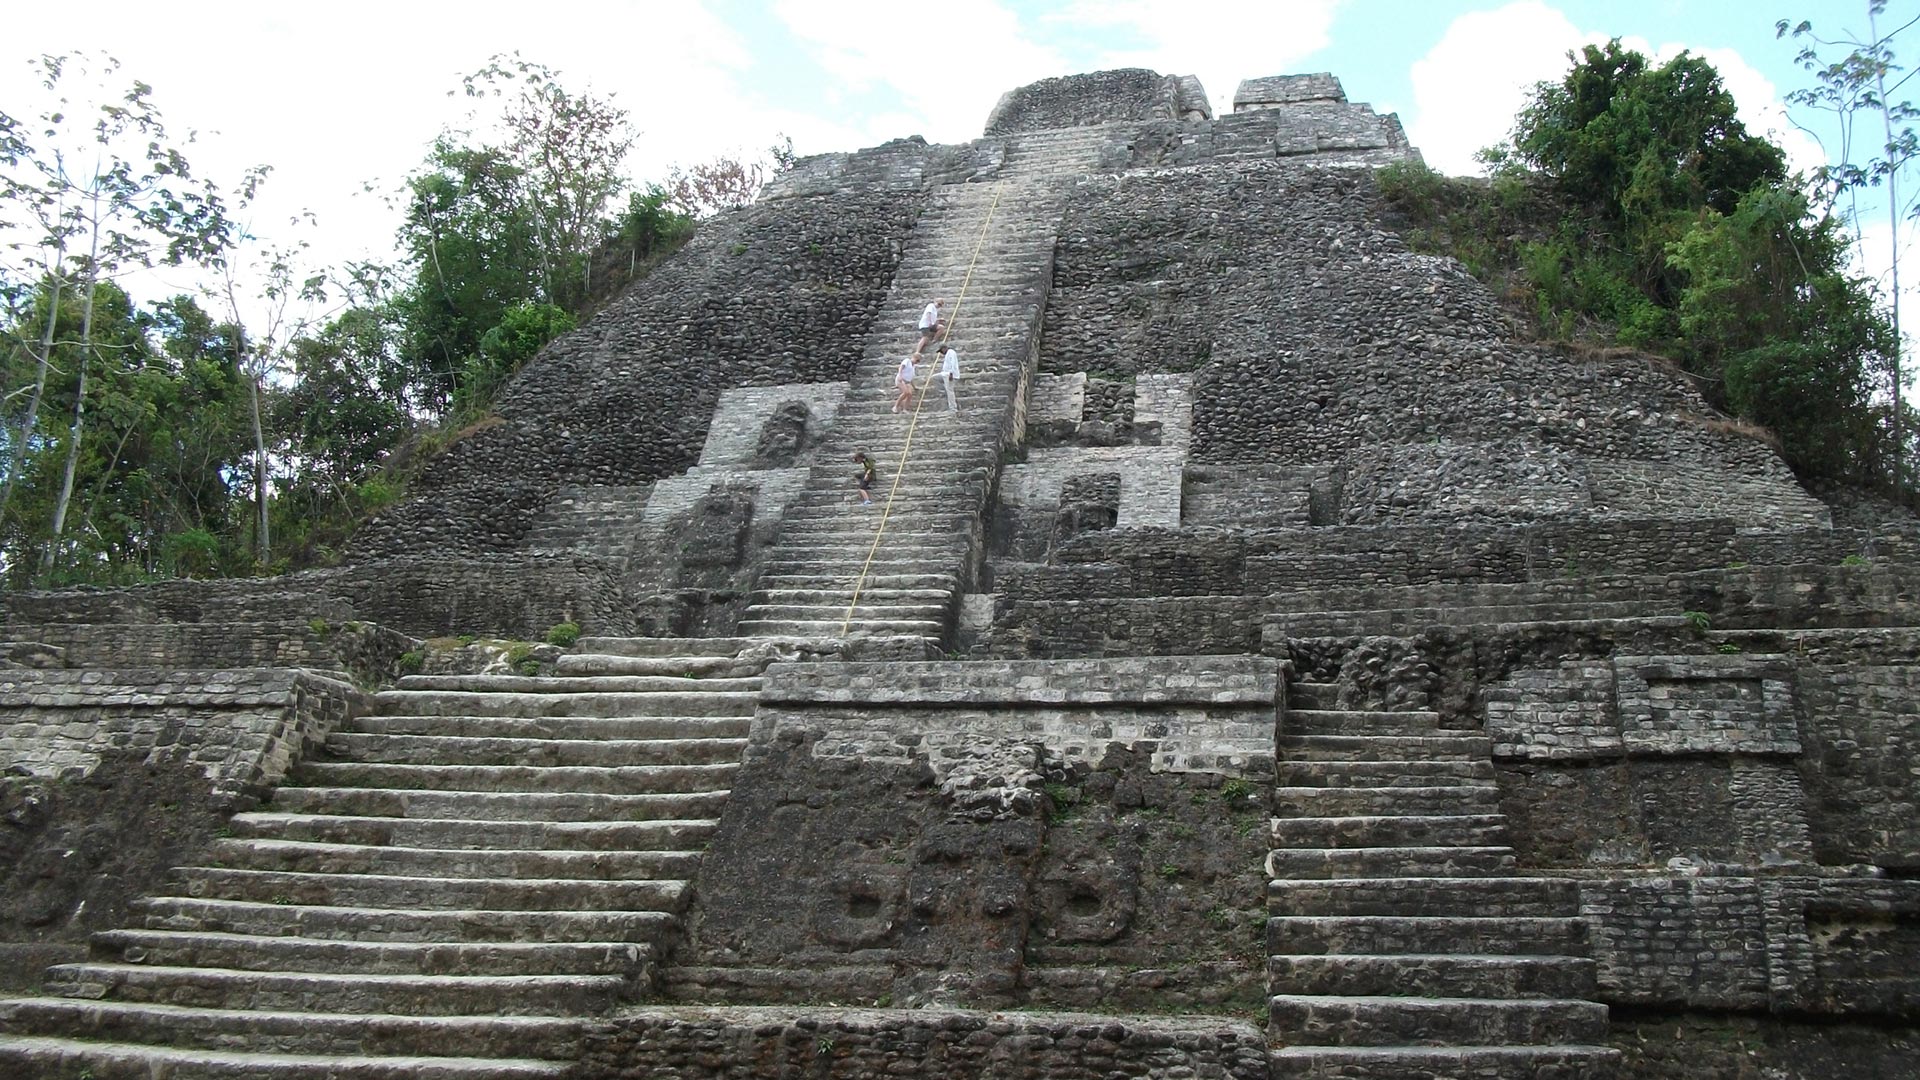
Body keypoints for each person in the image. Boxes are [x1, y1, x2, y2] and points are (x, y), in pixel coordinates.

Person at [938, 344, 960, 412]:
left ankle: (953, 408)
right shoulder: (948, 354)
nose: (941, 353)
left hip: (949, 374)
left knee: (950, 391)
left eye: (941, 351)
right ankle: (943, 390)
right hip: (945, 374)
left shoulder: (951, 352)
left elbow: (953, 363)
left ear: (944, 348)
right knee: (934, 378)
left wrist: (951, 373)